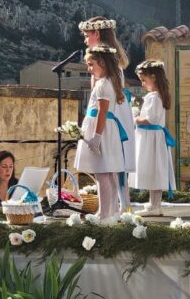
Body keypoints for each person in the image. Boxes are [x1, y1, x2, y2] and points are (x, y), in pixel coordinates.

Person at [79, 17, 135, 210]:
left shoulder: (104, 63)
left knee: (108, 165)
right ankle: (118, 207)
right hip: (113, 112)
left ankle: (118, 208)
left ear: (97, 33)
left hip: (111, 115)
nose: (85, 40)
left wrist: (97, 132)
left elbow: (102, 100)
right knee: (110, 166)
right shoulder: (108, 60)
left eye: (87, 35)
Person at [75, 45, 126, 220]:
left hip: (101, 130)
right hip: (108, 130)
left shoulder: (103, 84)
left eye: (91, 64)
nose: (89, 69)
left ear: (102, 63)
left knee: (102, 173)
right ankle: (110, 212)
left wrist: (96, 137)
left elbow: (102, 112)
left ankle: (104, 214)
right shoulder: (109, 82)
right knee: (108, 174)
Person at [133, 59, 175, 216]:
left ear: (154, 77)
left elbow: (150, 119)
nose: (142, 83)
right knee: (152, 170)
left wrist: (135, 119)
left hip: (152, 139)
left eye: (144, 80)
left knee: (154, 170)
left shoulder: (154, 97)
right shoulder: (155, 96)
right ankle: (153, 204)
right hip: (151, 137)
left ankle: (156, 206)